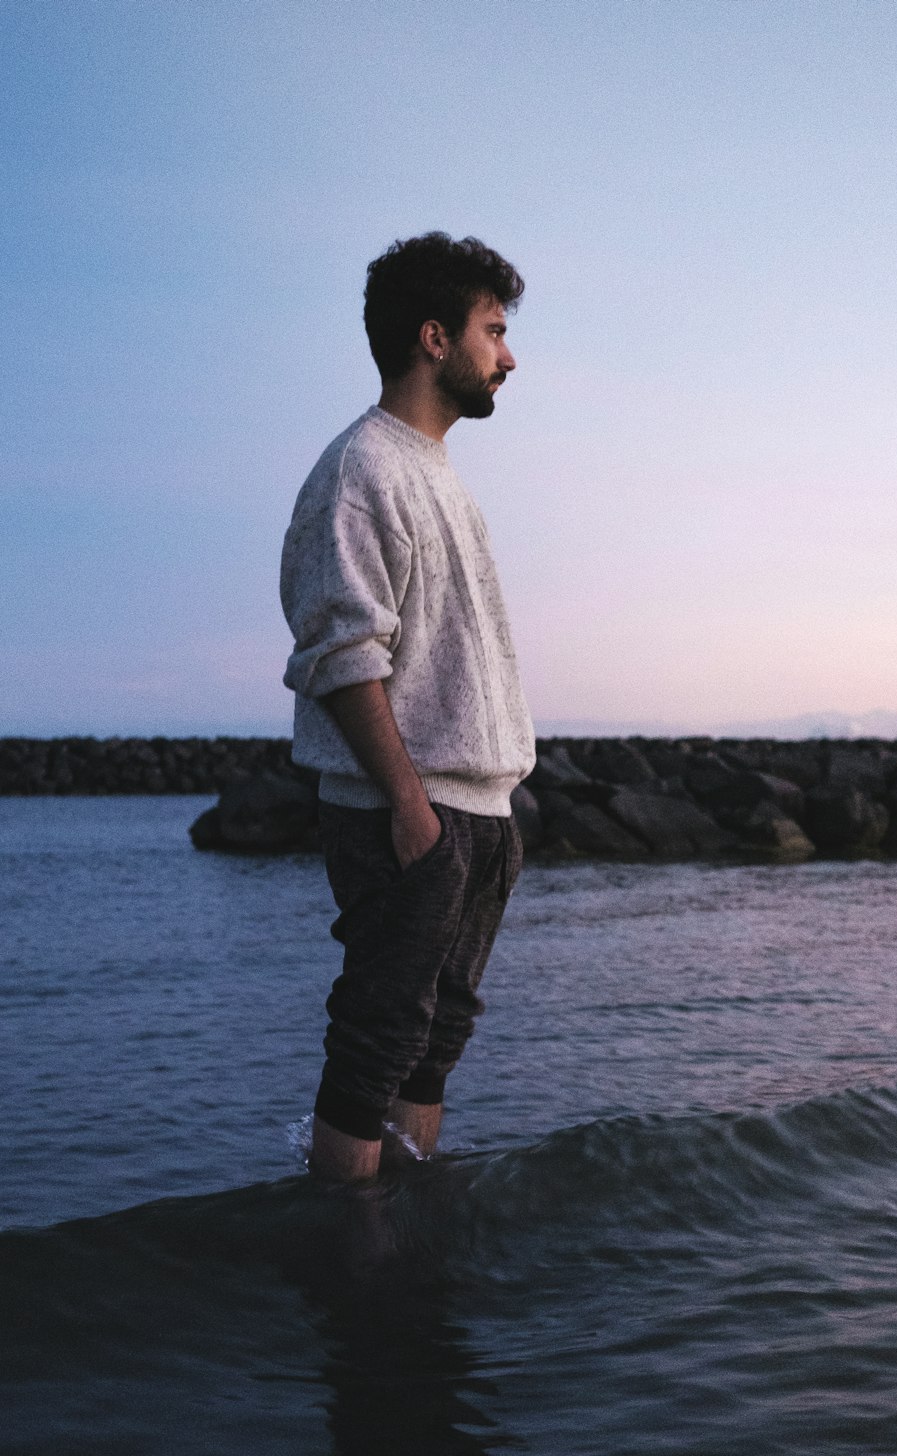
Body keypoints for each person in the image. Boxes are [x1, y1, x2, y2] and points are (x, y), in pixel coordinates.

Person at [280, 232, 535, 1183]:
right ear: (435, 339)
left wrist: (492, 812)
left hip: (478, 806)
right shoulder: (361, 472)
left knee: (435, 1041)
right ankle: (348, 1254)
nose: (507, 356)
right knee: (377, 1041)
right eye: (493, 331)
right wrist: (409, 806)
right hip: (412, 811)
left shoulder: (438, 473)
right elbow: (342, 657)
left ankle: (405, 1231)